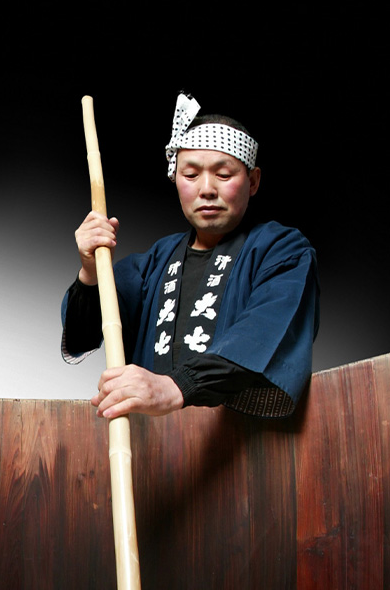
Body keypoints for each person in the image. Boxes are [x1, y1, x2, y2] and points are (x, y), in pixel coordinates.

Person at [61, 93, 319, 419]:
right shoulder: (154, 263)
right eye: (191, 175)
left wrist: (175, 387)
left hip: (242, 440)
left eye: (223, 175)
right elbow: (84, 335)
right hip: (153, 443)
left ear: (253, 181)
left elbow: (261, 338)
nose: (206, 189)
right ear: (176, 179)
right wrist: (89, 271)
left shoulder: (282, 250)